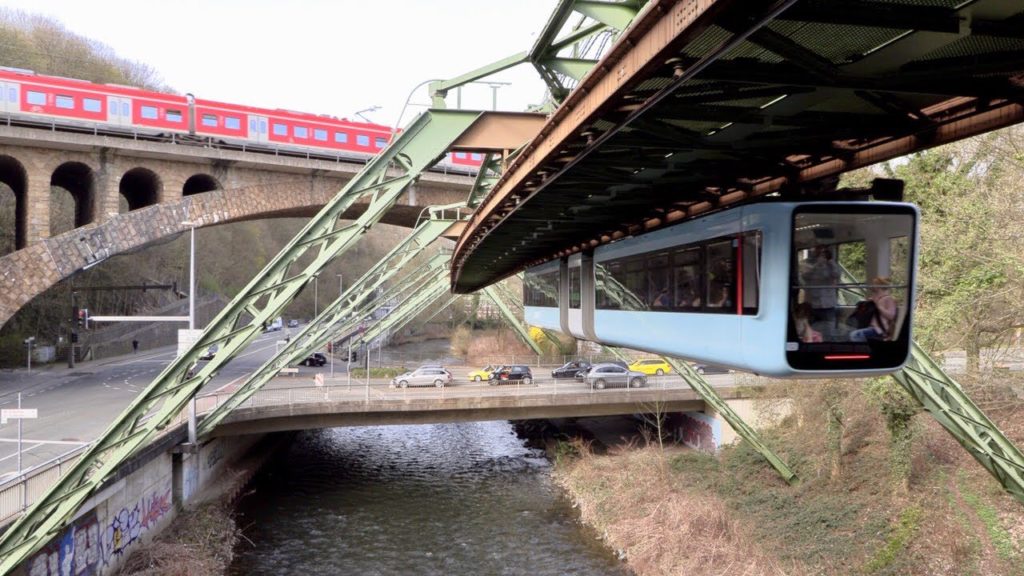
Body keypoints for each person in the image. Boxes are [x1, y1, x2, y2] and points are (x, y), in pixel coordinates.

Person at [801, 246, 840, 336]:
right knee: (813, 331)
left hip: (828, 304)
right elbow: (804, 276)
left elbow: (836, 274)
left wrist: (830, 261)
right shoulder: (810, 264)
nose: (822, 254)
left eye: (824, 252)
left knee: (830, 331)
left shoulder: (831, 266)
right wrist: (817, 265)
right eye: (819, 251)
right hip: (813, 304)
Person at [849, 277, 898, 342]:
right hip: (870, 326)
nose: (873, 286)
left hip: (879, 329)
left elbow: (891, 316)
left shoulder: (889, 299)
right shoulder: (875, 298)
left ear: (879, 286)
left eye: (875, 284)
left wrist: (879, 307)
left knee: (854, 335)